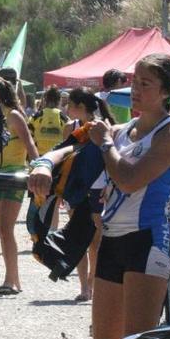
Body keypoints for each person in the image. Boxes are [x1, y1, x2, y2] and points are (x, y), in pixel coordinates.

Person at [29, 53, 170, 339]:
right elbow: (69, 147)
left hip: (148, 241)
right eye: (135, 81)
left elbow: (130, 178)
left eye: (146, 84)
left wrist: (104, 145)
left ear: (165, 91)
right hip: (112, 241)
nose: (136, 90)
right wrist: (44, 164)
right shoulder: (121, 130)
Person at [0, 77, 38, 295]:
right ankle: (13, 279)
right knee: (2, 230)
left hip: (14, 175)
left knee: (6, 228)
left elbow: (29, 144)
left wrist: (38, 169)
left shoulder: (13, 115)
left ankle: (11, 280)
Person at [65, 86, 117, 302]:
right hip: (76, 188)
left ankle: (92, 283)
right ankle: (84, 287)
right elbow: (66, 158)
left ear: (81, 107)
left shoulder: (103, 127)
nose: (66, 108)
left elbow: (109, 157)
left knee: (95, 241)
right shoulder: (70, 127)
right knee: (79, 238)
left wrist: (110, 184)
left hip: (98, 187)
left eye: (70, 104)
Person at [29, 85, 70, 155]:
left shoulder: (35, 117)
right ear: (59, 100)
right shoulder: (65, 119)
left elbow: (29, 138)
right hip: (57, 157)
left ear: (45, 100)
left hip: (39, 157)